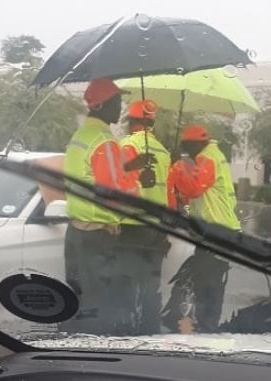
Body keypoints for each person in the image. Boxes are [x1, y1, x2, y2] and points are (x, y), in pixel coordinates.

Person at [63, 77, 147, 335]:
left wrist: (130, 167)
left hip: (77, 232)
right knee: (102, 306)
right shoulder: (104, 141)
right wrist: (139, 182)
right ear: (100, 106)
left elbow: (94, 177)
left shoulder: (81, 136)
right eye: (116, 101)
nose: (120, 107)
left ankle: (74, 349)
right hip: (99, 236)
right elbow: (113, 194)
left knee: (77, 302)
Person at [162, 124, 241, 333]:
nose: (186, 149)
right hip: (215, 231)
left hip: (217, 231)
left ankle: (208, 328)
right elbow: (196, 194)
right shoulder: (209, 157)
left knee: (209, 282)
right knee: (206, 278)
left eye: (187, 145)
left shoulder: (209, 157)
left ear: (197, 142)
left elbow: (195, 187)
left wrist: (178, 167)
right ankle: (206, 325)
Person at [118, 99, 173, 334]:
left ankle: (127, 333)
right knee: (151, 283)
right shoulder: (163, 151)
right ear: (152, 121)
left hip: (132, 225)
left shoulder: (127, 146)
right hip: (157, 227)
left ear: (131, 121)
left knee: (127, 282)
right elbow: (170, 195)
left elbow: (118, 186)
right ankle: (150, 330)